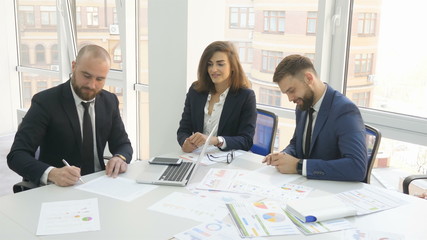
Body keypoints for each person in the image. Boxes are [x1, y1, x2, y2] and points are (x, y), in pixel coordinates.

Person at [7, 44, 133, 187]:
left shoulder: (109, 101)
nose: (92, 85)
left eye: (99, 79)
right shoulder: (45, 102)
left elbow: (123, 144)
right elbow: (16, 156)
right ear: (74, 66)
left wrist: (120, 157)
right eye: (86, 76)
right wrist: (52, 173)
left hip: (100, 183)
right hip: (59, 187)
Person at [262, 54, 367, 181]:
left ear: (309, 78)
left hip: (330, 191)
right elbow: (297, 143)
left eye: (292, 90)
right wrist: (284, 156)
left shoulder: (344, 110)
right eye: (286, 93)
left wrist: (299, 166)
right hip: (305, 186)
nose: (290, 99)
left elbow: (357, 168)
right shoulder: (303, 105)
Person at [177, 41, 256, 153]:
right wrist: (185, 142)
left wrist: (216, 140)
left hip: (226, 159)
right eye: (210, 64)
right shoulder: (195, 90)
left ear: (232, 66)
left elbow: (246, 140)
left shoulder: (245, 96)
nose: (213, 69)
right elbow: (183, 130)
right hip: (197, 157)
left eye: (220, 64)